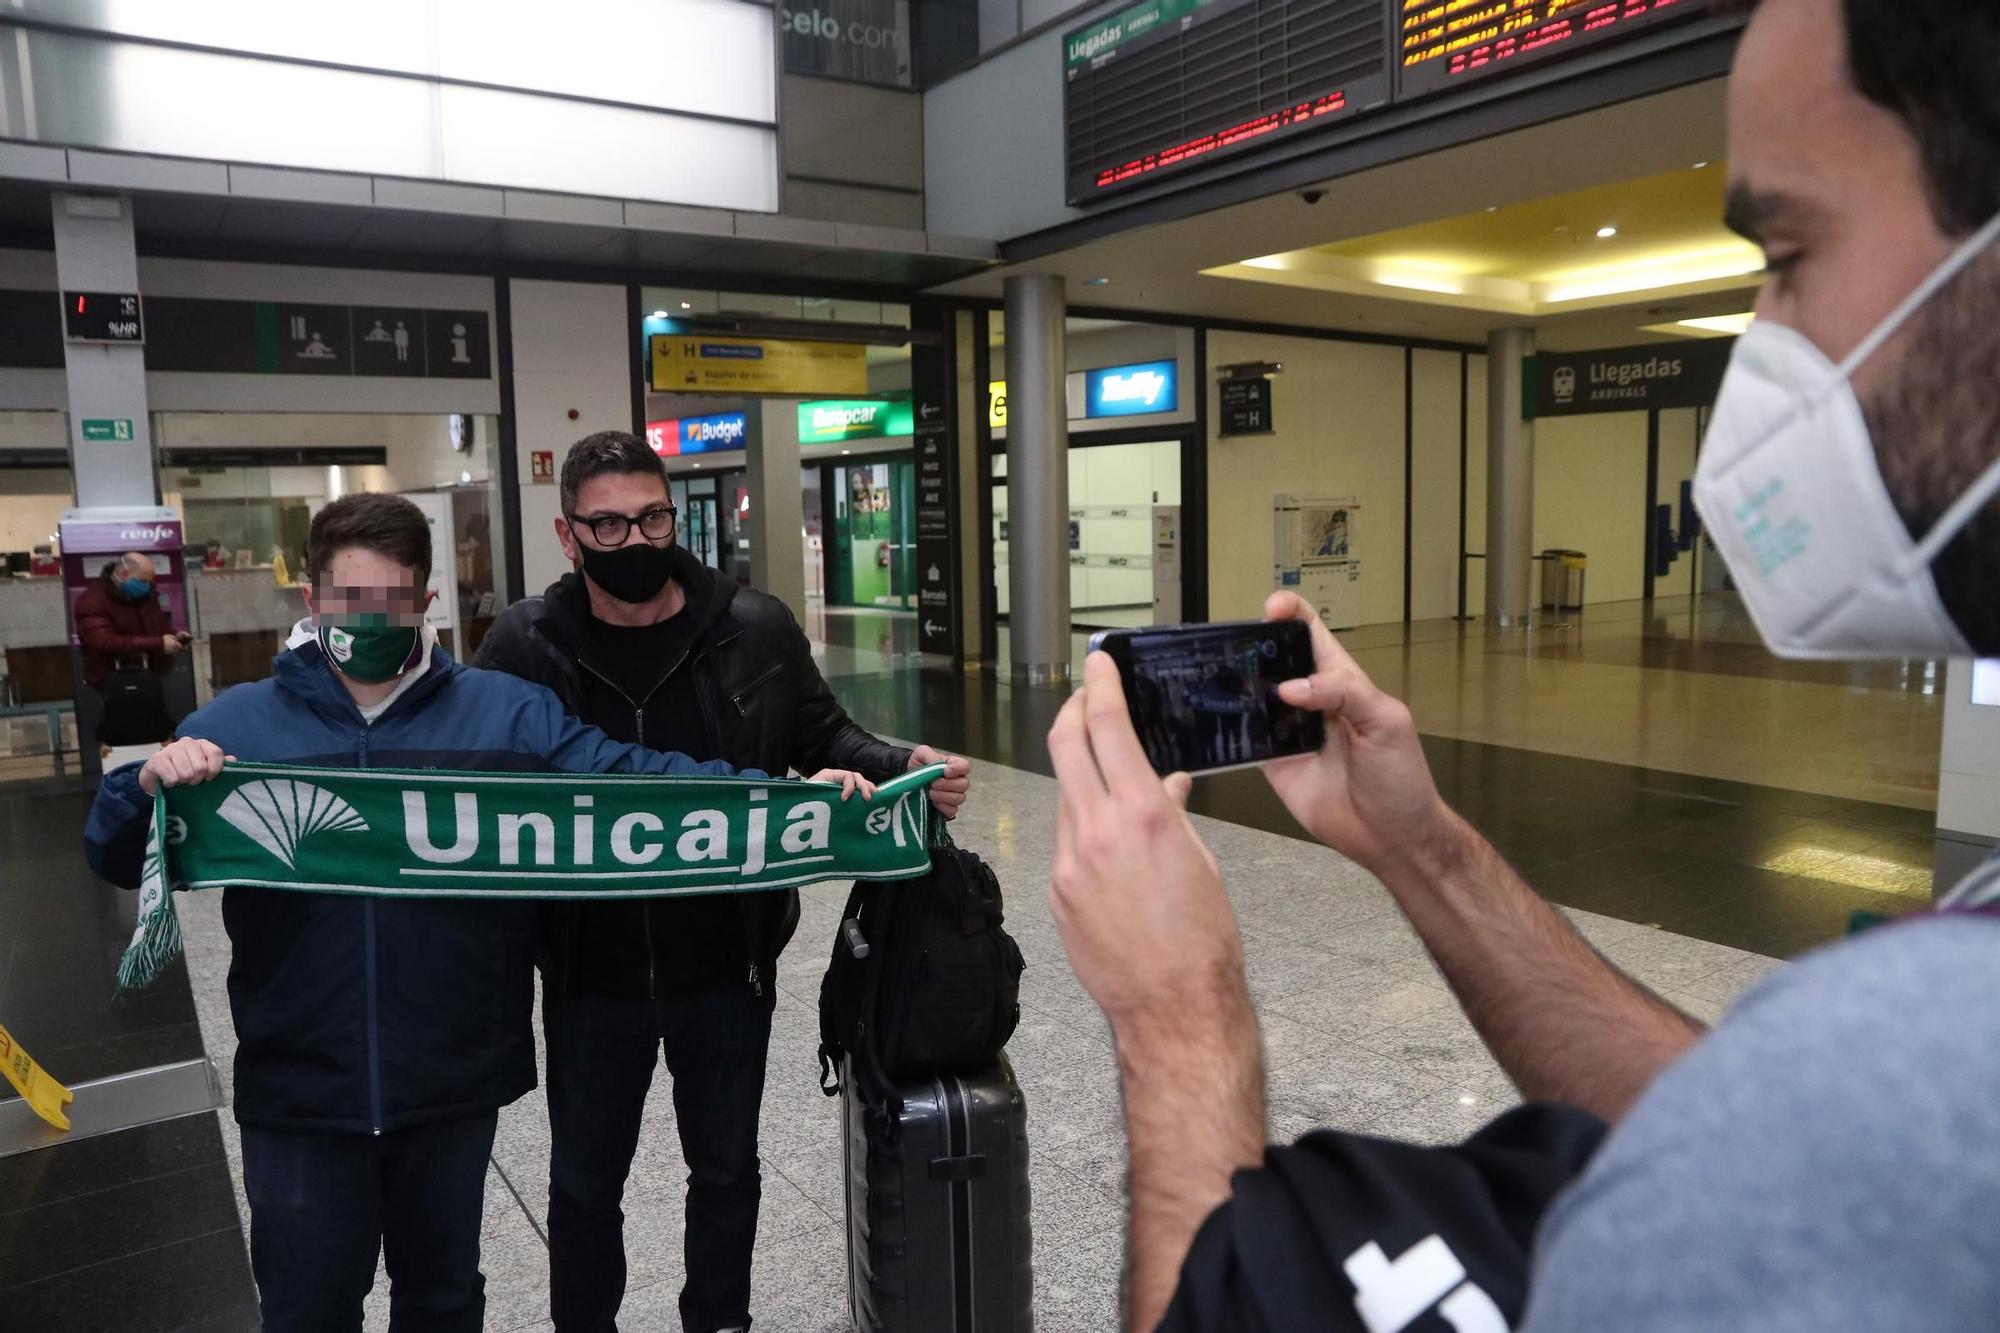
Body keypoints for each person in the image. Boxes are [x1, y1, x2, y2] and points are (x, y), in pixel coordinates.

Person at [1045, 1, 2000, 1328]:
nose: (1762, 343)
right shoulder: (1910, 1067)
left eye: (1787, 251)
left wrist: (1174, 1013)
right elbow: (1774, 1151)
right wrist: (1419, 845)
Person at [83, 493, 871, 1333]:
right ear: (311, 601)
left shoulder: (504, 717)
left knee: (444, 1300)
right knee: (308, 1307)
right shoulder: (239, 731)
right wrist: (148, 786)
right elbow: (115, 852)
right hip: (301, 1087)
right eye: (350, 601)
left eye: (392, 601)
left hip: (450, 1081)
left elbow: (638, 786)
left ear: (426, 604)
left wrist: (780, 801)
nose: (371, 622)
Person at [474, 431, 974, 1333]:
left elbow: (824, 738)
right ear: (568, 532)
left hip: (727, 962)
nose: (636, 540)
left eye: (654, 516)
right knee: (584, 1188)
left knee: (728, 1172)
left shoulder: (753, 626)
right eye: (610, 525)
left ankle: (720, 1321)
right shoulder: (524, 642)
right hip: (590, 970)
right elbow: (467, 772)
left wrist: (905, 764)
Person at [73, 551, 179, 689]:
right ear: (124, 574)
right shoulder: (91, 601)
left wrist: (175, 636)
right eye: (143, 581)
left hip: (151, 674)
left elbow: (157, 625)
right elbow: (104, 642)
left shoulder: (147, 595)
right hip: (112, 681)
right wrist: (159, 644)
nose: (147, 586)